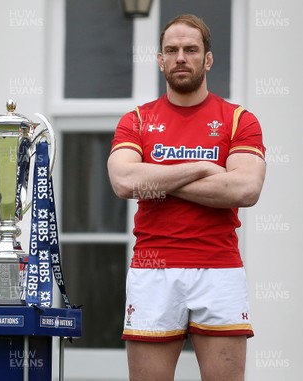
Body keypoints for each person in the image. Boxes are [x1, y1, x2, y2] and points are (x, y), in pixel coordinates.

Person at [107, 14, 266, 381]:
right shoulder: (137, 120)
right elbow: (124, 182)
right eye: (171, 50)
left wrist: (158, 175)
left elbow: (244, 189)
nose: (181, 57)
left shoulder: (239, 119)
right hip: (153, 269)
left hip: (220, 267)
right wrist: (204, 167)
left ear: (207, 59)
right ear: (160, 60)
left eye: (191, 50)